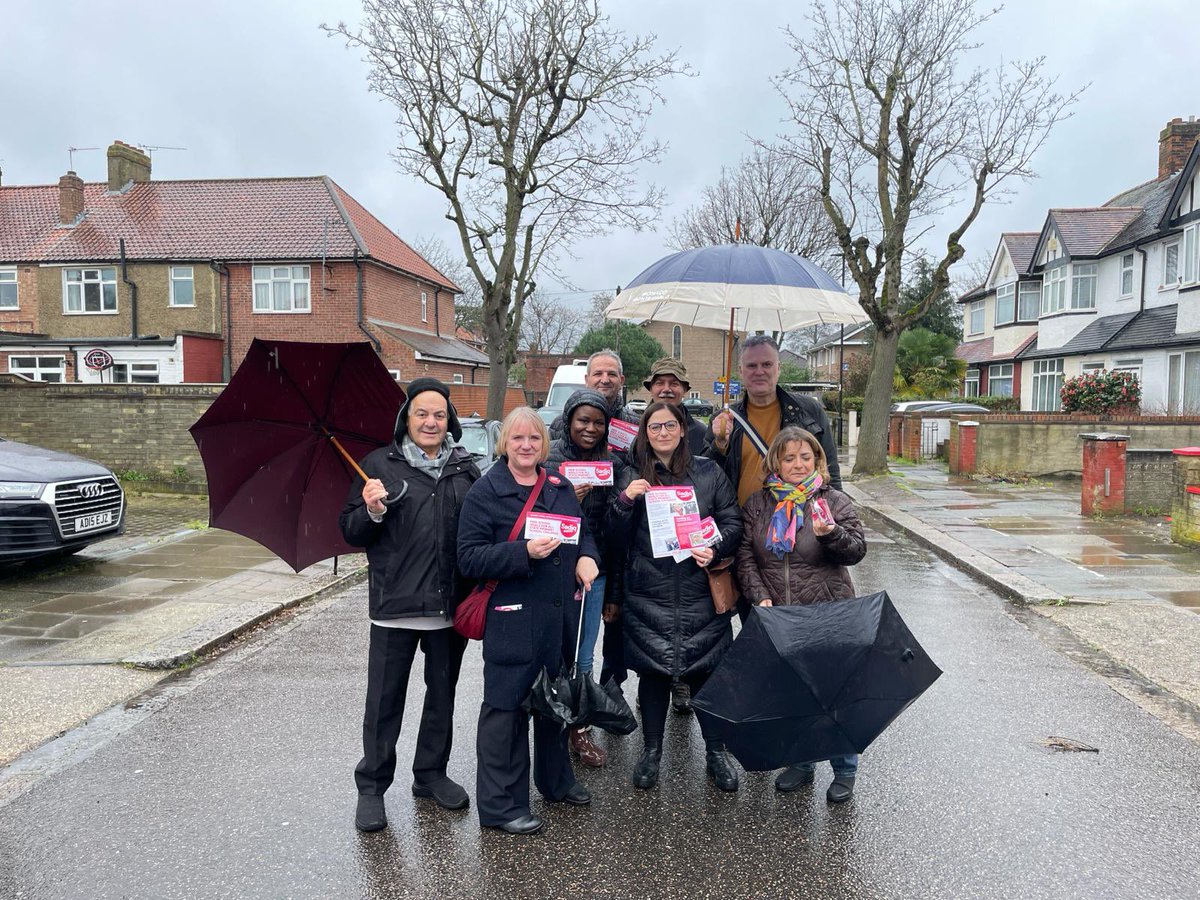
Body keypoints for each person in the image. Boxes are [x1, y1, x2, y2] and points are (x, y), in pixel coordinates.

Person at [339, 377, 480, 833]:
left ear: (450, 421)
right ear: (407, 418)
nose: (431, 421)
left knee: (442, 697)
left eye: (439, 414)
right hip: (394, 607)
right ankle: (372, 788)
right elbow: (351, 531)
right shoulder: (379, 466)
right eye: (422, 413)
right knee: (384, 702)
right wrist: (371, 511)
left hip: (448, 608)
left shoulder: (465, 469)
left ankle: (430, 774)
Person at [457, 407, 601, 835]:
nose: (526, 446)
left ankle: (556, 782)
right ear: (505, 443)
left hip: (558, 617)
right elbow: (468, 557)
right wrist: (523, 552)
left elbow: (582, 533)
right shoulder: (486, 492)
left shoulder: (557, 486)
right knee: (506, 712)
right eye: (518, 439)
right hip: (512, 618)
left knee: (554, 703)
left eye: (534, 439)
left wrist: (589, 557)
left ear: (544, 444)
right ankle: (502, 807)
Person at [608, 401, 743, 792]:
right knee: (653, 674)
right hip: (648, 590)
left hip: (699, 587)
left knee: (706, 673)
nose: (663, 433)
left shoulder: (707, 471)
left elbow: (731, 522)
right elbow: (614, 537)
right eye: (654, 427)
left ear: (683, 429)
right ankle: (651, 752)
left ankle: (715, 753)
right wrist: (624, 501)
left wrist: (713, 547)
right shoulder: (630, 473)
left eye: (670, 426)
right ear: (644, 433)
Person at [736, 426, 867, 803]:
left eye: (805, 457)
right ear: (775, 461)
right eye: (789, 458)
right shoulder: (759, 505)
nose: (797, 464)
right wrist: (759, 596)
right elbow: (746, 557)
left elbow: (856, 551)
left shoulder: (834, 501)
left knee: (833, 696)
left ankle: (844, 769)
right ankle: (803, 761)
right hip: (781, 616)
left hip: (828, 613)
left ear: (817, 461)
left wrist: (830, 534)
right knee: (793, 693)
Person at [546, 389, 627, 768]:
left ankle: (579, 727)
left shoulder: (612, 461)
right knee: (553, 647)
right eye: (583, 420)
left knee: (584, 650)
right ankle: (550, 724)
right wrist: (567, 501)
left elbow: (618, 522)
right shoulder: (550, 458)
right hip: (554, 568)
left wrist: (618, 501)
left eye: (598, 422)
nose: (590, 428)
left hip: (597, 567)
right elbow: (534, 513)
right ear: (568, 420)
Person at [707, 334, 842, 508]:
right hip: (743, 526)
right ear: (741, 371)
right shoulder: (723, 420)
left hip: (799, 522)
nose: (759, 371)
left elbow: (830, 471)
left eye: (767, 364)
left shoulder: (809, 411)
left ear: (778, 368)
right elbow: (707, 479)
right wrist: (719, 445)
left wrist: (837, 514)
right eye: (751, 365)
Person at [549, 349, 638, 440]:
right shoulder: (560, 424)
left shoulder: (635, 424)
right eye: (598, 374)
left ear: (621, 381)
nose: (605, 380)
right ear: (587, 380)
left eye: (611, 374)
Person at [643, 357, 707, 455]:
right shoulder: (635, 428)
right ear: (651, 389)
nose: (666, 389)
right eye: (660, 383)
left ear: (685, 390)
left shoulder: (701, 434)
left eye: (674, 384)